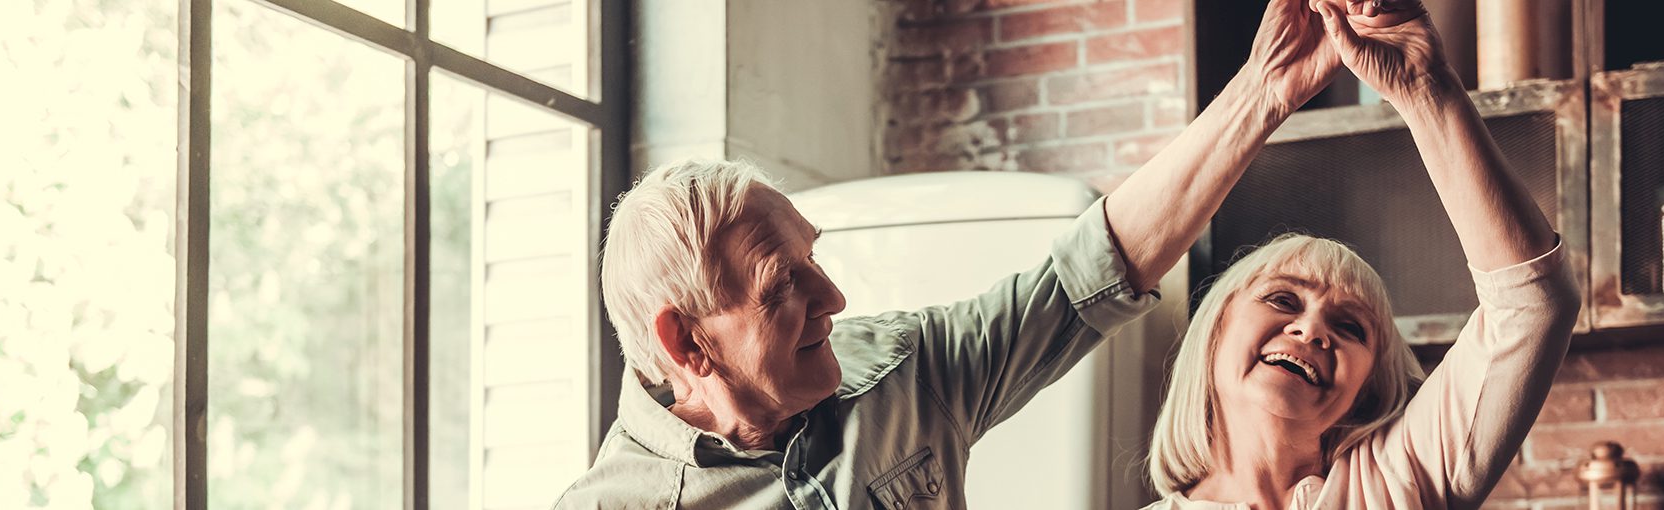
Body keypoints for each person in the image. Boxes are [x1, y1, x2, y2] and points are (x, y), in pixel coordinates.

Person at [553, 0, 1351, 505]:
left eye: (813, 258)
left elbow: (1091, 273)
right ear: (685, 341)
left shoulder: (905, 369)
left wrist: (1264, 90)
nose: (832, 299)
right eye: (782, 285)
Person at [1140, 1, 1581, 509]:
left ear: (1364, 394)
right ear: (1214, 331)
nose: (1312, 331)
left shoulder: (1398, 479)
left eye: (1351, 328)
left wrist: (1424, 86)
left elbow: (1532, 305)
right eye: (1284, 299)